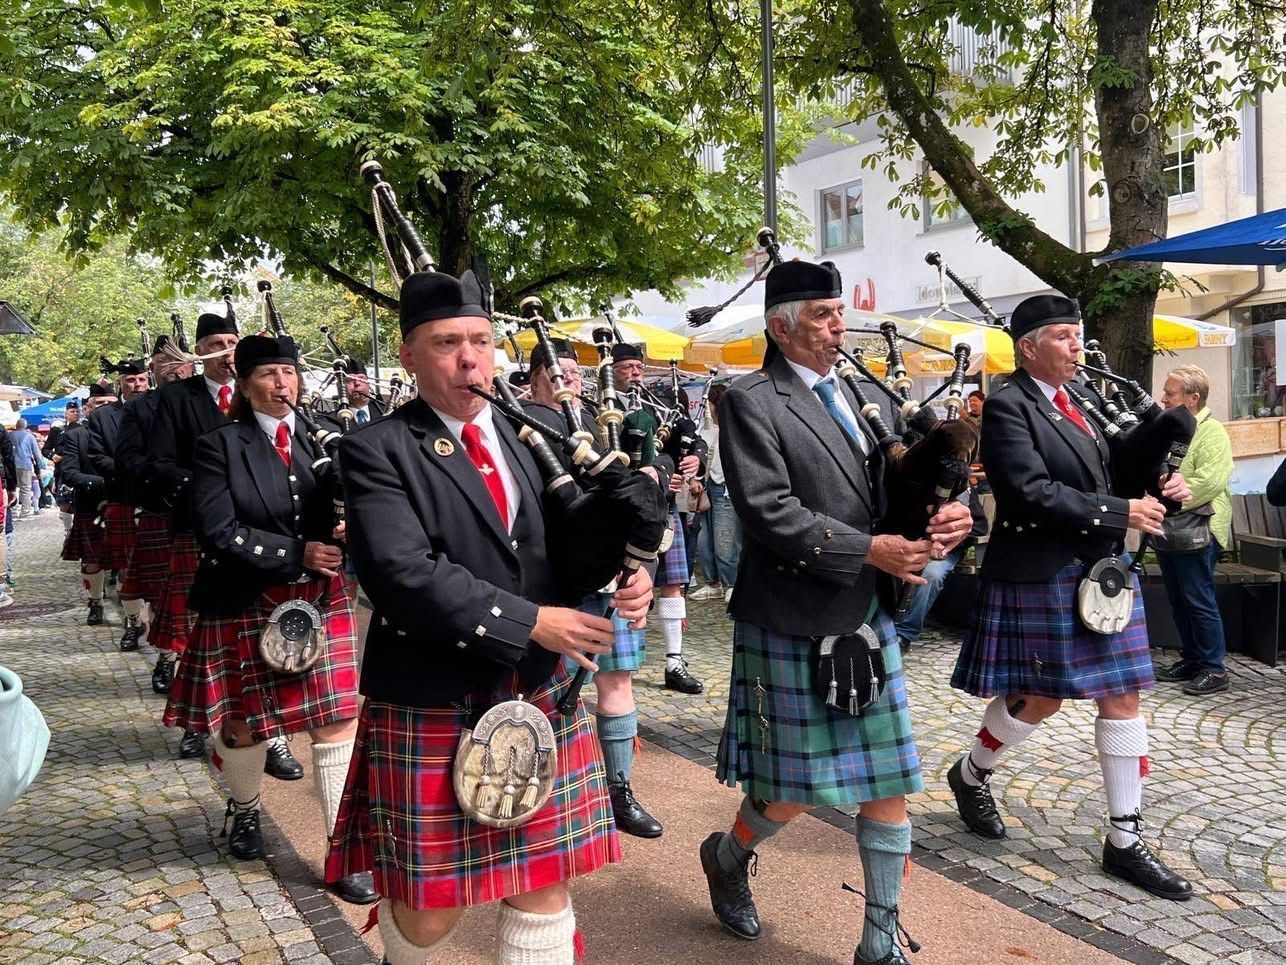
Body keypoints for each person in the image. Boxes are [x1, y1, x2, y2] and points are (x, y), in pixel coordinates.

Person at [324, 267, 651, 965]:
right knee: (431, 913)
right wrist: (532, 620)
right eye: (447, 342)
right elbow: (401, 574)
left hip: (534, 691)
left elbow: (571, 548)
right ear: (410, 356)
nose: (470, 357)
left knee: (542, 886)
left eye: (479, 339)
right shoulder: (377, 448)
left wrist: (633, 559)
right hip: (434, 692)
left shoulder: (534, 432)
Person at [700, 258, 972, 964]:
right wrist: (870, 549)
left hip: (866, 610)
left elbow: (893, 491)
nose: (837, 324)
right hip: (794, 611)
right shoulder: (750, 400)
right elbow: (768, 513)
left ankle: (879, 945)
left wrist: (945, 513)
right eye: (821, 314)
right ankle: (729, 856)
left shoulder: (858, 396)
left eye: (838, 310)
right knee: (792, 791)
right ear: (779, 326)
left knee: (887, 785)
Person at [946, 294, 1194, 902]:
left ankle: (1125, 839)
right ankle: (972, 773)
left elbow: (1115, 469)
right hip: (1040, 570)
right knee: (1038, 701)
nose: (1076, 345)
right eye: (1062, 336)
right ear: (1028, 347)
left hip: (1097, 570)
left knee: (1123, 695)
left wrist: (1165, 476)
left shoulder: (1082, 400)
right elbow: (1029, 491)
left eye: (1076, 334)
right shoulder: (1009, 406)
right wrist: (1120, 510)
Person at [160, 334, 374, 904]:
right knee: (246, 725)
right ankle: (247, 807)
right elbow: (218, 530)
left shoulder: (320, 439)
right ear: (245, 383)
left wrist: (353, 527)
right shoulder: (218, 447)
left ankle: (340, 846)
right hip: (248, 598)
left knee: (336, 722)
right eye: (269, 375)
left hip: (319, 600)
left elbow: (353, 504)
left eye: (290, 372)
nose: (283, 384)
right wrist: (293, 552)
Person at [526, 338, 667, 838]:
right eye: (558, 370)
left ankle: (619, 790)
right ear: (536, 375)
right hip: (554, 584)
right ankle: (554, 795)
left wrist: (644, 562)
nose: (570, 379)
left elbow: (653, 473)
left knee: (617, 682)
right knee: (551, 690)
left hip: (614, 579)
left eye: (573, 370)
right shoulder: (517, 424)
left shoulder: (599, 420)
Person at [116, 336, 195, 690]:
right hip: (161, 510)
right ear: (154, 368)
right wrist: (165, 475)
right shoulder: (140, 409)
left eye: (180, 362)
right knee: (165, 594)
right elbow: (127, 460)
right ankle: (167, 659)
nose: (174, 369)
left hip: (206, 513)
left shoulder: (207, 399)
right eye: (165, 362)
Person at [1151, 364, 1233, 696]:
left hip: (1201, 527)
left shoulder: (1211, 432)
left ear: (1193, 398)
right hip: (1171, 528)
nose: (1163, 398)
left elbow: (1210, 481)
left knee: (1198, 598)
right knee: (1178, 597)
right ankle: (1193, 658)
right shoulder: (1173, 428)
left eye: (1170, 393)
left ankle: (1214, 668)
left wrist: (1166, 499)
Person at [86, 358, 151, 651]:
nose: (136, 386)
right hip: (122, 497)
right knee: (127, 568)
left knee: (163, 574)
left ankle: (162, 634)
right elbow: (96, 456)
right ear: (120, 383)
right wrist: (131, 469)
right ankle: (133, 622)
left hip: (158, 501)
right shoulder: (102, 417)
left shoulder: (164, 407)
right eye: (130, 381)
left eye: (140, 380)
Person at [894, 483, 988, 653]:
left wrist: (945, 540)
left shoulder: (957, 482)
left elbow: (979, 526)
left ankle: (905, 634)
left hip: (942, 551)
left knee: (930, 575)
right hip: (904, 543)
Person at [59, 385, 118, 625]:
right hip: (90, 504)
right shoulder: (75, 435)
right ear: (88, 407)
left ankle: (133, 617)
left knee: (127, 562)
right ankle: (95, 602)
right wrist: (104, 484)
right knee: (92, 560)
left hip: (124, 502)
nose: (104, 409)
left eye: (109, 403)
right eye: (98, 403)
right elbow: (69, 472)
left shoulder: (128, 430)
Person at [688, 382, 740, 603]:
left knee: (725, 539)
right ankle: (712, 583)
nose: (706, 408)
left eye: (708, 403)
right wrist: (695, 479)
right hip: (706, 486)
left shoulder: (735, 427)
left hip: (726, 489)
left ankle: (731, 583)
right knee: (704, 539)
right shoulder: (704, 427)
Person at [46, 402, 82, 534]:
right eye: (72, 411)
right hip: (63, 471)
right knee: (64, 503)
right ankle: (68, 532)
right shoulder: (57, 430)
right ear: (66, 413)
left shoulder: (84, 428)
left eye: (77, 411)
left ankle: (79, 530)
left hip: (80, 470)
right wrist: (53, 455)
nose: (76, 413)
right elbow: (46, 449)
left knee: (80, 502)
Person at [9, 419, 43, 519]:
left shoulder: (10, 435)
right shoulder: (30, 436)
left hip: (11, 465)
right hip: (25, 465)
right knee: (25, 488)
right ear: (25, 426)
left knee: (13, 487)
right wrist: (39, 467)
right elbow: (37, 454)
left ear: (16, 426)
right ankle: (25, 512)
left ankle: (13, 510)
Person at [343, 359, 385, 423]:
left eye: (361, 378)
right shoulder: (332, 421)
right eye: (350, 380)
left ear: (368, 382)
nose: (357, 383)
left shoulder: (385, 412)